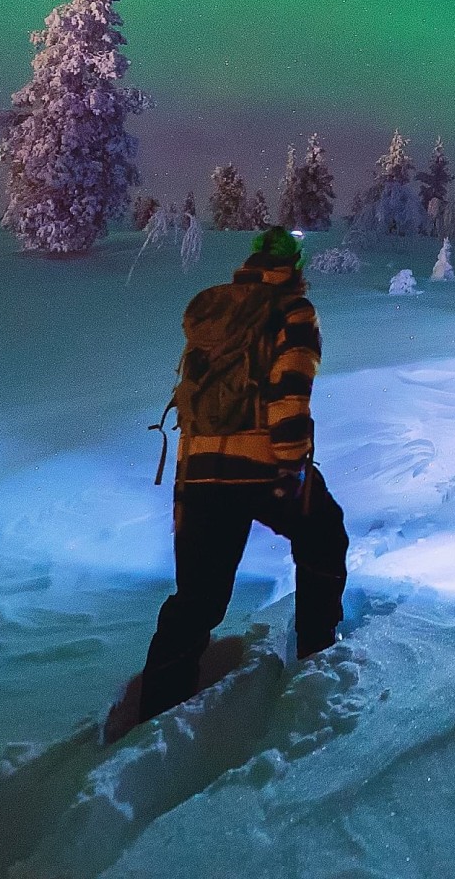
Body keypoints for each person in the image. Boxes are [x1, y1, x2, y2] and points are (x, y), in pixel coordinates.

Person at [137, 225, 348, 724]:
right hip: (260, 465)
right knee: (324, 535)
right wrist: (293, 464)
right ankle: (317, 653)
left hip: (200, 470)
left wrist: (190, 481)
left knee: (197, 598)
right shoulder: (292, 311)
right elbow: (289, 390)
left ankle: (156, 707)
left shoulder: (218, 313)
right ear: (294, 267)